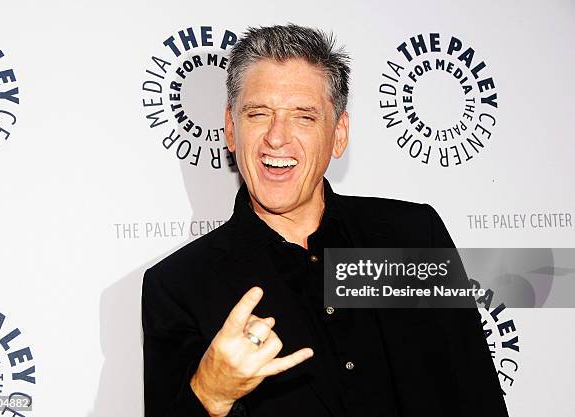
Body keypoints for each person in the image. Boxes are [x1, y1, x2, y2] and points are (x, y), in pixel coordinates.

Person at [142, 24, 509, 417]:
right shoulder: (179, 286)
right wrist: (209, 396)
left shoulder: (413, 236)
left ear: (338, 133)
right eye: (258, 113)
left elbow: (477, 395)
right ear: (231, 129)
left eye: (304, 117)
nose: (277, 137)